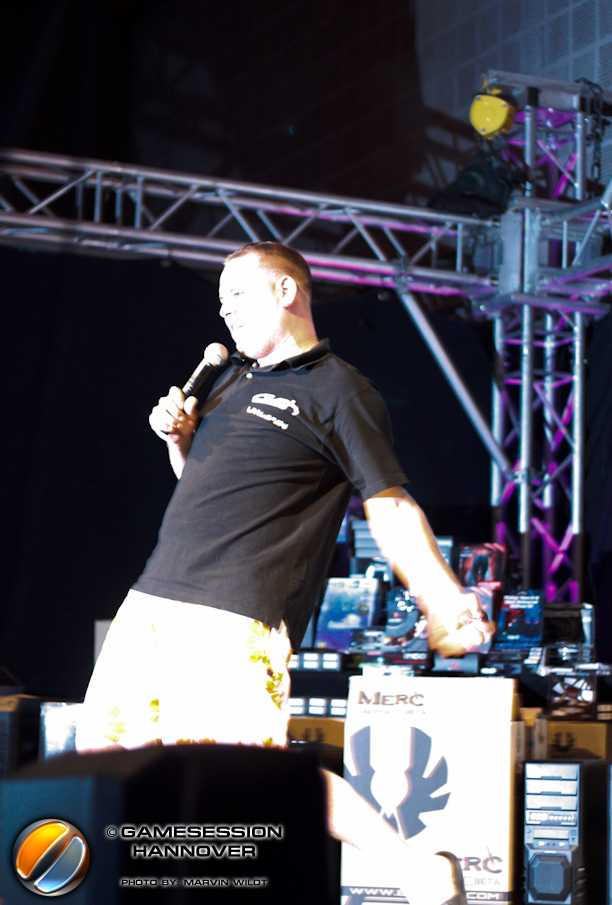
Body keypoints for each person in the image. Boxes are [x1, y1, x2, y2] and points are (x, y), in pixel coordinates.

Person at [76, 241, 494, 905]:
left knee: (243, 779)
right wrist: (180, 442)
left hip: (235, 613)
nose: (226, 312)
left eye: (238, 296)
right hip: (151, 599)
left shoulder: (340, 391)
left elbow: (390, 505)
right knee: (105, 759)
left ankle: (417, 870)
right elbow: (203, 490)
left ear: (285, 292)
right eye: (220, 303)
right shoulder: (227, 380)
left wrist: (443, 596)